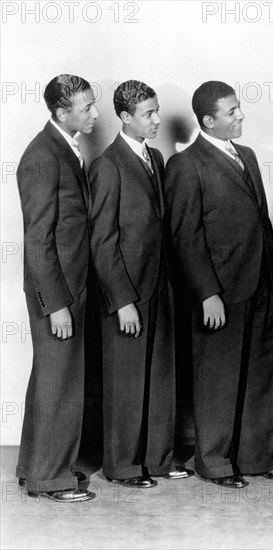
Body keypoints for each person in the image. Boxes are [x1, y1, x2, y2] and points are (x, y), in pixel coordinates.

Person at [164, 80, 273, 488]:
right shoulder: (185, 165)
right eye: (232, 111)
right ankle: (215, 462)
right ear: (209, 120)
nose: (241, 115)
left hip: (258, 283)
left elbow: (261, 220)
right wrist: (208, 294)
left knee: (260, 374)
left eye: (239, 108)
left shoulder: (249, 156)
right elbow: (184, 236)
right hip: (218, 293)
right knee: (217, 378)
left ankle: (256, 457)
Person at [89, 80, 193, 488]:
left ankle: (158, 458)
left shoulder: (157, 160)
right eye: (148, 113)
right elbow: (102, 242)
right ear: (125, 117)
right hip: (128, 294)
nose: (157, 119)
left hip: (160, 288)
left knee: (161, 378)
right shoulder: (107, 166)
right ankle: (124, 466)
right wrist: (122, 301)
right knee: (126, 383)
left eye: (157, 110)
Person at [16, 74, 99, 502]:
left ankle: (35, 469)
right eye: (86, 108)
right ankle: (52, 478)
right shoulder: (43, 156)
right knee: (60, 381)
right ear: (61, 112)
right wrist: (56, 304)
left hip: (68, 285)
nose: (95, 114)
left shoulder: (64, 147)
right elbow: (37, 239)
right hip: (58, 291)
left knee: (52, 376)